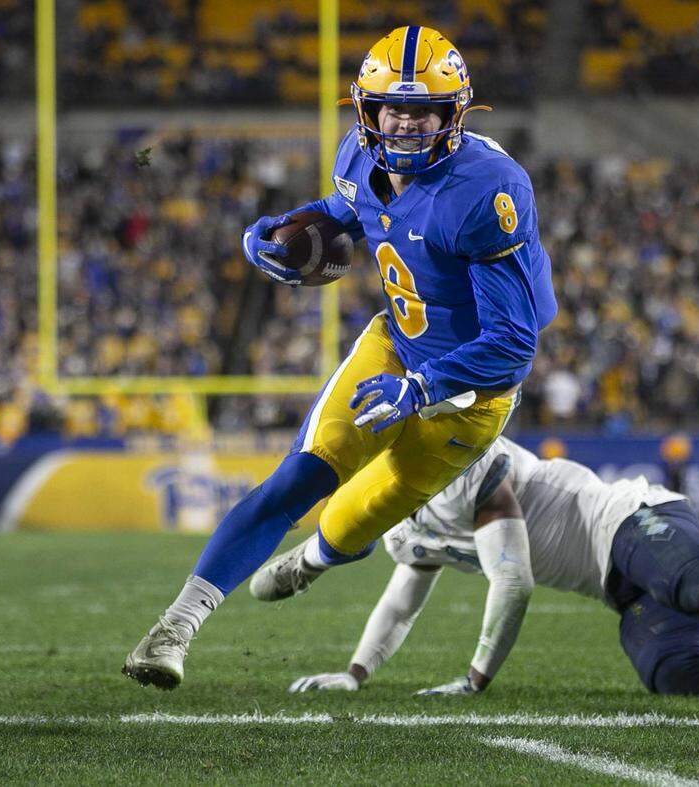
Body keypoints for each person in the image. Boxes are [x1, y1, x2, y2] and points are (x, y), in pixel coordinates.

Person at [123, 26, 556, 689]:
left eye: (423, 111)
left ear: (454, 114)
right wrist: (275, 233)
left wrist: (422, 387)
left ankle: (316, 558)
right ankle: (175, 626)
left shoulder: (488, 191)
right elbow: (343, 209)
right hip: (392, 347)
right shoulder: (358, 154)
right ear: (368, 110)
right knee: (298, 477)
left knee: (352, 523)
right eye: (394, 108)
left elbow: (514, 344)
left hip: (469, 397)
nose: (406, 124)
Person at [255, 438, 699, 700]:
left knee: (698, 584)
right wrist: (356, 671)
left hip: (631, 520)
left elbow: (512, 582)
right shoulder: (404, 522)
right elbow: (403, 596)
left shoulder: (458, 463)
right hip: (617, 582)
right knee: (673, 675)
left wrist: (474, 678)